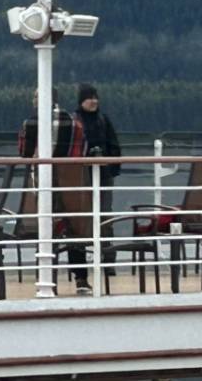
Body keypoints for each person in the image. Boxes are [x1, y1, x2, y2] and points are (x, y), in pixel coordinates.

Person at [17, 87, 91, 294]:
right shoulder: (75, 123)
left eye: (35, 96)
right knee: (75, 230)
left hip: (45, 186)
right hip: (72, 187)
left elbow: (24, 153)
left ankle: (46, 278)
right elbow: (83, 152)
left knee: (46, 228)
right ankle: (81, 279)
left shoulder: (31, 123)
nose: (33, 100)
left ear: (42, 99)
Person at [75, 84, 121, 274]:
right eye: (89, 98)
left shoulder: (104, 120)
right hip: (81, 177)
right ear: (81, 101)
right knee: (80, 219)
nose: (93, 101)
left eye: (95, 97)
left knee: (105, 216)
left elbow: (114, 145)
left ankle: (108, 261)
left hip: (104, 175)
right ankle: (80, 264)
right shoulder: (75, 120)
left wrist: (110, 165)